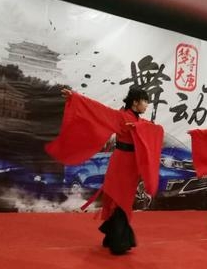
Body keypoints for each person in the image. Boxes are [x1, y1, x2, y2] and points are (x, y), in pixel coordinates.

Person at [45, 87, 163, 255]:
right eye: (144, 101)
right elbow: (98, 110)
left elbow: (154, 129)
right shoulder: (120, 116)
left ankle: (111, 237)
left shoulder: (138, 120)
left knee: (122, 201)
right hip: (121, 163)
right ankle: (119, 243)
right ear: (135, 102)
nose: (146, 105)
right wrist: (75, 97)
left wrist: (138, 127)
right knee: (120, 201)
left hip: (131, 165)